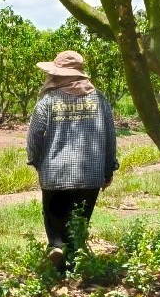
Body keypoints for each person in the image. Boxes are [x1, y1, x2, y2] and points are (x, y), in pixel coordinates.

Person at [26, 51, 117, 272]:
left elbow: (34, 135)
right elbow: (110, 135)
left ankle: (56, 248)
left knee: (55, 218)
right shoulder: (99, 99)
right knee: (79, 220)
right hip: (90, 173)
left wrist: (38, 162)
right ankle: (77, 265)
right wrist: (108, 168)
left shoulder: (48, 100)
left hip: (55, 172)